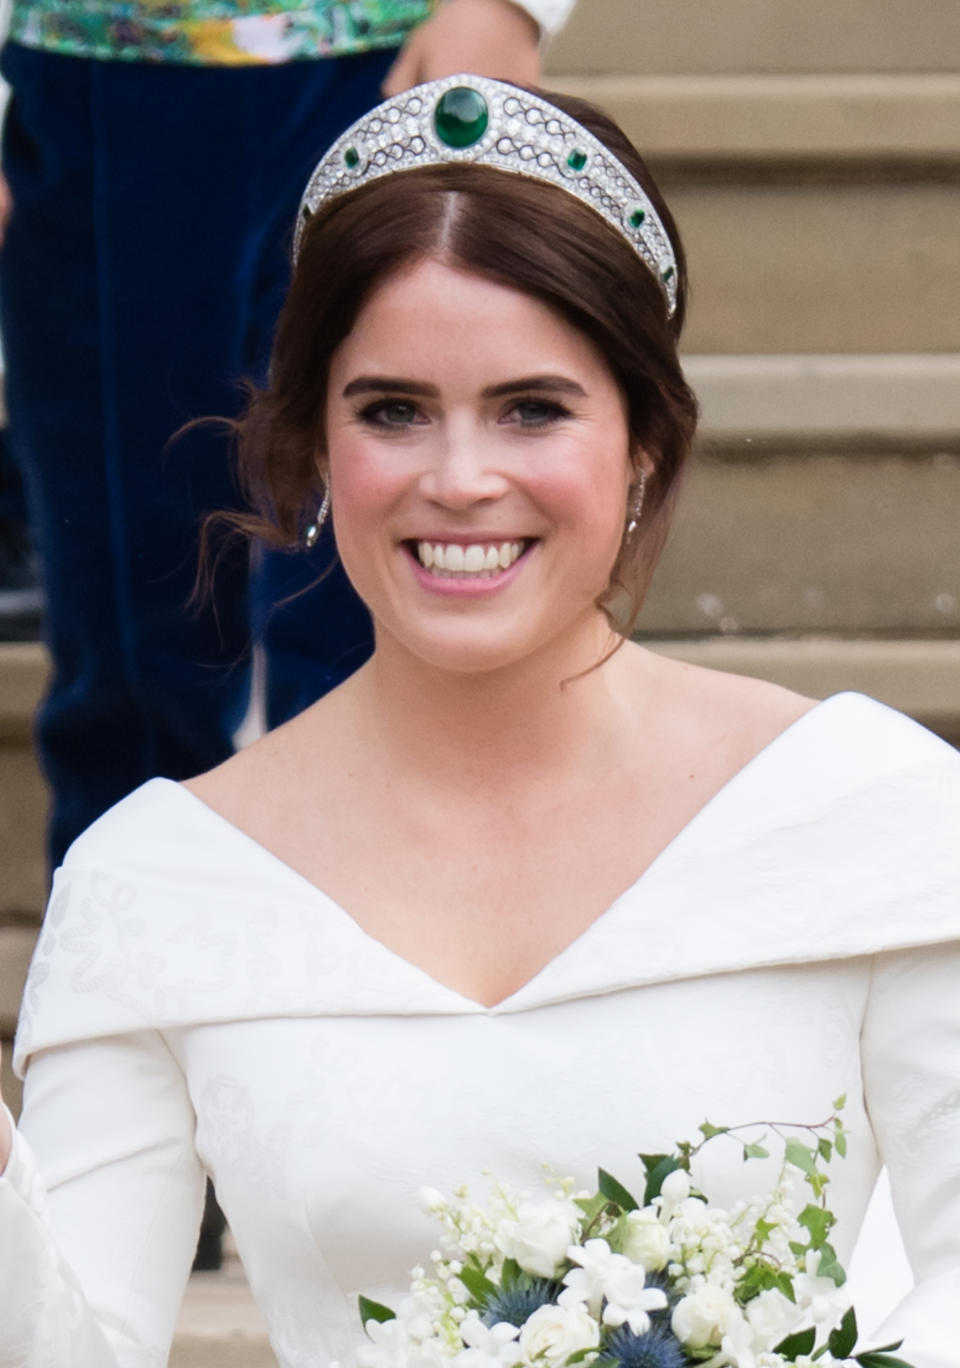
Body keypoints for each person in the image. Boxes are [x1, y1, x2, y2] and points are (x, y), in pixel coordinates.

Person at [2, 74, 960, 1368]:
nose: (459, 480)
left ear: (643, 449)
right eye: (391, 410)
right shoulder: (156, 881)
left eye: (533, 408)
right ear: (317, 448)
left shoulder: (871, 811)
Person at [0, 0, 574, 873]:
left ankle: (389, 927)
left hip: (380, 63)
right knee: (127, 594)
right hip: (95, 79)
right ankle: (131, 955)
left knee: (382, 587)